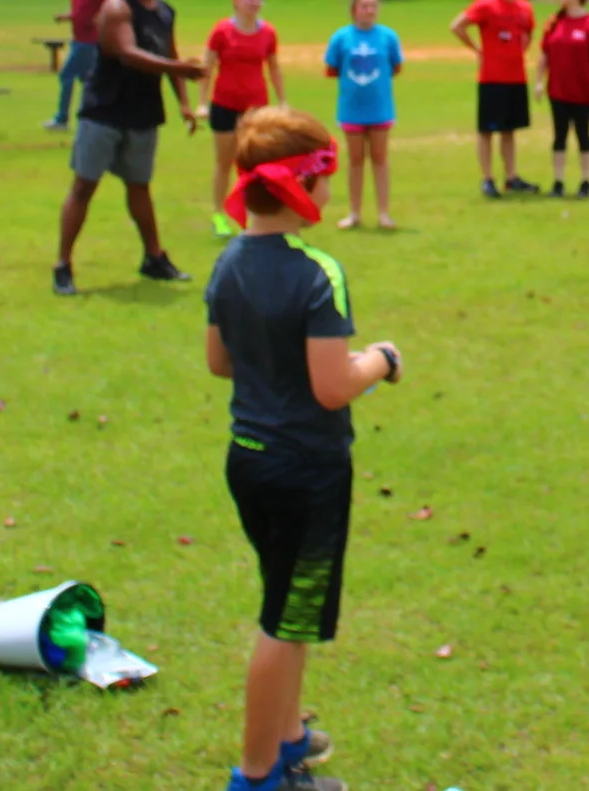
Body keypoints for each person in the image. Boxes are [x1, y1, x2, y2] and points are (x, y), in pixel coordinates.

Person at [203, 108, 400, 791]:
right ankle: (257, 776)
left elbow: (219, 361)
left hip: (249, 461)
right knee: (284, 624)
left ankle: (286, 738)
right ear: (303, 185)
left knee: (286, 601)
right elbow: (332, 386)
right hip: (307, 472)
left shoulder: (227, 261)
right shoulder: (318, 271)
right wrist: (381, 359)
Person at [55, 0, 205, 298]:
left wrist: (184, 103)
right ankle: (62, 265)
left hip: (143, 112)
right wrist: (178, 68)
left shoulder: (165, 11)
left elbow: (170, 52)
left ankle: (154, 258)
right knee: (84, 187)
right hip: (105, 110)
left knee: (140, 186)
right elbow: (126, 52)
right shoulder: (116, 7)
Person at [450, 0, 538, 198]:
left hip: (516, 77)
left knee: (509, 130)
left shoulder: (525, 8)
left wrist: (518, 52)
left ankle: (511, 177)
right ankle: (487, 178)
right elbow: (457, 25)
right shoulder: (486, 5)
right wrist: (477, 49)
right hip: (491, 77)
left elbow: (528, 33)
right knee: (487, 130)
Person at [206, 0, 287, 232]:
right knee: (224, 160)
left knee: (253, 163)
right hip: (224, 103)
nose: (255, 3)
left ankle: (252, 215)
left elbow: (274, 68)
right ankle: (219, 215)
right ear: (237, 1)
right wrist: (200, 103)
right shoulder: (222, 31)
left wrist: (282, 101)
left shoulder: (268, 32)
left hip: (256, 106)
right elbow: (207, 67)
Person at [323, 0, 404, 230]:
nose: (369, 11)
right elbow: (331, 69)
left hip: (380, 108)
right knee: (355, 160)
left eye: (373, 6)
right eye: (364, 6)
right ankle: (354, 213)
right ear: (354, 10)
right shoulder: (341, 37)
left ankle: (383, 213)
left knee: (380, 159)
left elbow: (396, 67)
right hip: (351, 109)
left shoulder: (388, 36)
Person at [535, 0, 589, 199]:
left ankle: (585, 181)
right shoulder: (554, 22)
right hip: (557, 90)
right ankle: (558, 181)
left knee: (583, 134)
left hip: (582, 92)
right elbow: (544, 55)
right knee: (559, 135)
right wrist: (538, 81)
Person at [45, 0, 108, 132]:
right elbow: (78, 13)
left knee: (66, 75)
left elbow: (112, 7)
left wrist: (100, 20)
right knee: (87, 81)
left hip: (89, 42)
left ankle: (62, 119)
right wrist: (65, 17)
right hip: (77, 40)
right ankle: (91, 117)